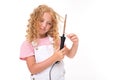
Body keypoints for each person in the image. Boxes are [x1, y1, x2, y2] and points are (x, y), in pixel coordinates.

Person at [20, 4, 79, 80]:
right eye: (41, 20)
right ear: (34, 20)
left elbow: (70, 54)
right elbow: (33, 69)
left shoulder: (55, 40)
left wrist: (75, 44)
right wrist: (54, 58)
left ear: (52, 26)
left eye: (49, 23)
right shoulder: (28, 44)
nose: (44, 25)